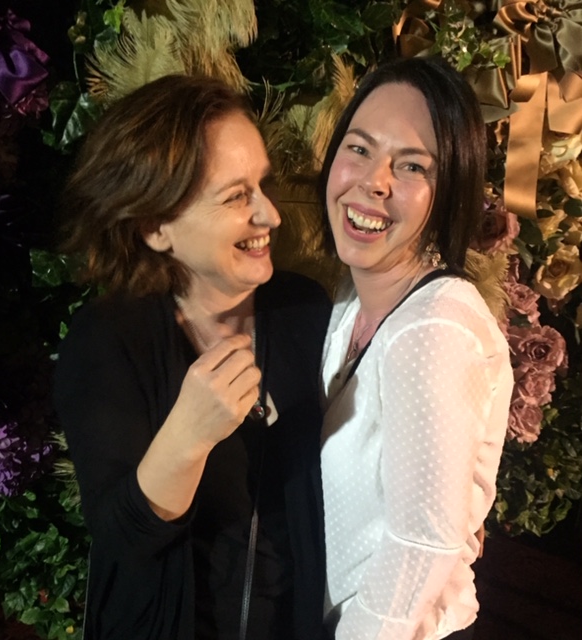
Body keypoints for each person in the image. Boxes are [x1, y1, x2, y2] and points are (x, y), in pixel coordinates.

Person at [53, 74, 331, 640]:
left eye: (262, 185)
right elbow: (121, 539)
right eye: (236, 196)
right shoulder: (108, 341)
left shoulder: (305, 311)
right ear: (155, 227)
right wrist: (188, 437)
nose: (270, 215)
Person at [318, 56, 514, 640]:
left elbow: (422, 542)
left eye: (411, 166)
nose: (373, 181)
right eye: (359, 148)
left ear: (448, 191)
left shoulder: (434, 328)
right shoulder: (352, 302)